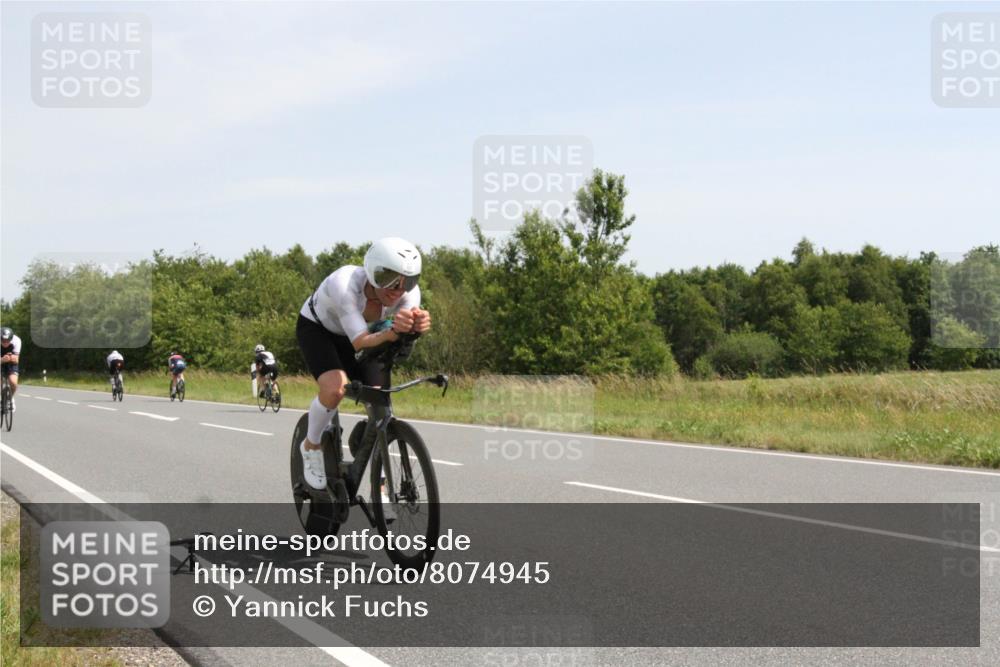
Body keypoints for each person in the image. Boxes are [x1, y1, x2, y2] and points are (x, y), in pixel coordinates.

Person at [296, 237, 431, 490]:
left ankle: (376, 473)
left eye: (408, 280)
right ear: (370, 272)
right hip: (319, 330)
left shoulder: (408, 293)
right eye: (388, 278)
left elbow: (401, 330)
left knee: (379, 399)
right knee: (335, 389)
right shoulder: (344, 284)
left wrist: (416, 326)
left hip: (365, 333)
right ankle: (311, 445)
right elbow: (359, 342)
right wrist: (392, 332)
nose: (397, 289)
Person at [1, 327, 21, 412]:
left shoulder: (17, 340)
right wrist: (2, 360)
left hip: (11, 363)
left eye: (8, 341)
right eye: (3, 341)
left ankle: (10, 398)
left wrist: (12, 357)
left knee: (13, 382)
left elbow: (17, 360)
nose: (5, 343)